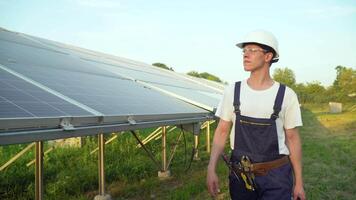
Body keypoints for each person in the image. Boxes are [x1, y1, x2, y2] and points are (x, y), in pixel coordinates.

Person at [207, 30, 306, 200]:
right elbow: (222, 130)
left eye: (252, 50)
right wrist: (211, 169)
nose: (245, 55)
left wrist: (298, 183)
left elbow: (292, 138)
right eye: (244, 51)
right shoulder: (233, 91)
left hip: (276, 177)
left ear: (268, 57)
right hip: (241, 177)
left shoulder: (286, 95)